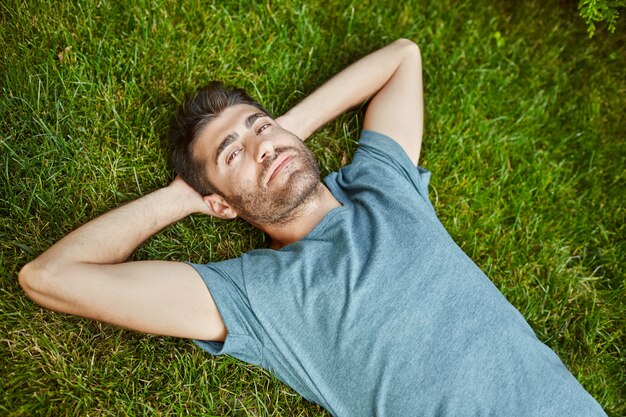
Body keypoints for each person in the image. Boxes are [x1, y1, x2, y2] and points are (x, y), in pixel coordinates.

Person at [18, 39, 606, 417]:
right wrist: (184, 198)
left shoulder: (382, 186)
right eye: (233, 154)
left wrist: (278, 137)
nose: (262, 145)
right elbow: (50, 276)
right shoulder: (259, 296)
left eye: (260, 124)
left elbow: (403, 57)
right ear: (222, 205)